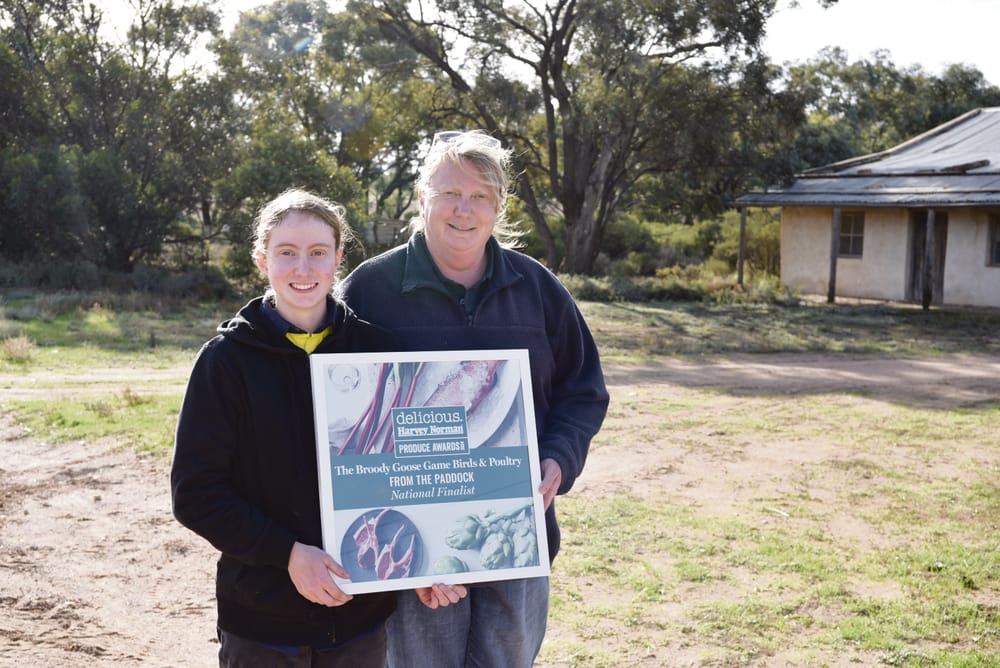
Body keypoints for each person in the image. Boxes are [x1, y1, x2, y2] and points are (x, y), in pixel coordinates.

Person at [338, 130, 610, 667]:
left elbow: (583, 392)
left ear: (498, 207)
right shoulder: (369, 290)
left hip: (516, 531)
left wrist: (558, 458)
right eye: (449, 194)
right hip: (409, 543)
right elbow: (338, 409)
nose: (464, 210)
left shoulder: (538, 289)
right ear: (421, 200)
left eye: (480, 196)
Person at [171, 188, 407, 667]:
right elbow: (196, 494)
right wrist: (288, 554)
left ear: (338, 259)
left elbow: (409, 473)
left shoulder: (378, 352)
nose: (304, 268)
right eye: (287, 253)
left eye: (318, 252)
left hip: (360, 618)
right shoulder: (226, 362)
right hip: (262, 623)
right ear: (262, 260)